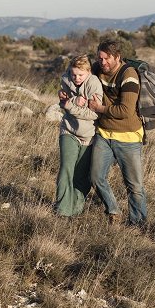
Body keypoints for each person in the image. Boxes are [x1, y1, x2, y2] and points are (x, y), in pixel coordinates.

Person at [88, 38, 147, 226]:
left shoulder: (128, 75)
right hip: (104, 134)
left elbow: (125, 111)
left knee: (134, 186)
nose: (102, 62)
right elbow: (76, 72)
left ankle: (138, 224)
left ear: (117, 57)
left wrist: (99, 108)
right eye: (99, 58)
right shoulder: (97, 69)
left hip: (128, 137)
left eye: (106, 59)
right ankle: (113, 210)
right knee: (96, 177)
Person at [55, 54, 103, 217]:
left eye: (80, 75)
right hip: (68, 130)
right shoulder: (66, 79)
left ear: (88, 72)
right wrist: (74, 101)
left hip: (88, 136)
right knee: (65, 170)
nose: (76, 78)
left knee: (81, 176)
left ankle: (76, 208)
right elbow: (64, 102)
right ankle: (62, 210)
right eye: (73, 74)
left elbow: (94, 114)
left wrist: (70, 105)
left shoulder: (94, 84)